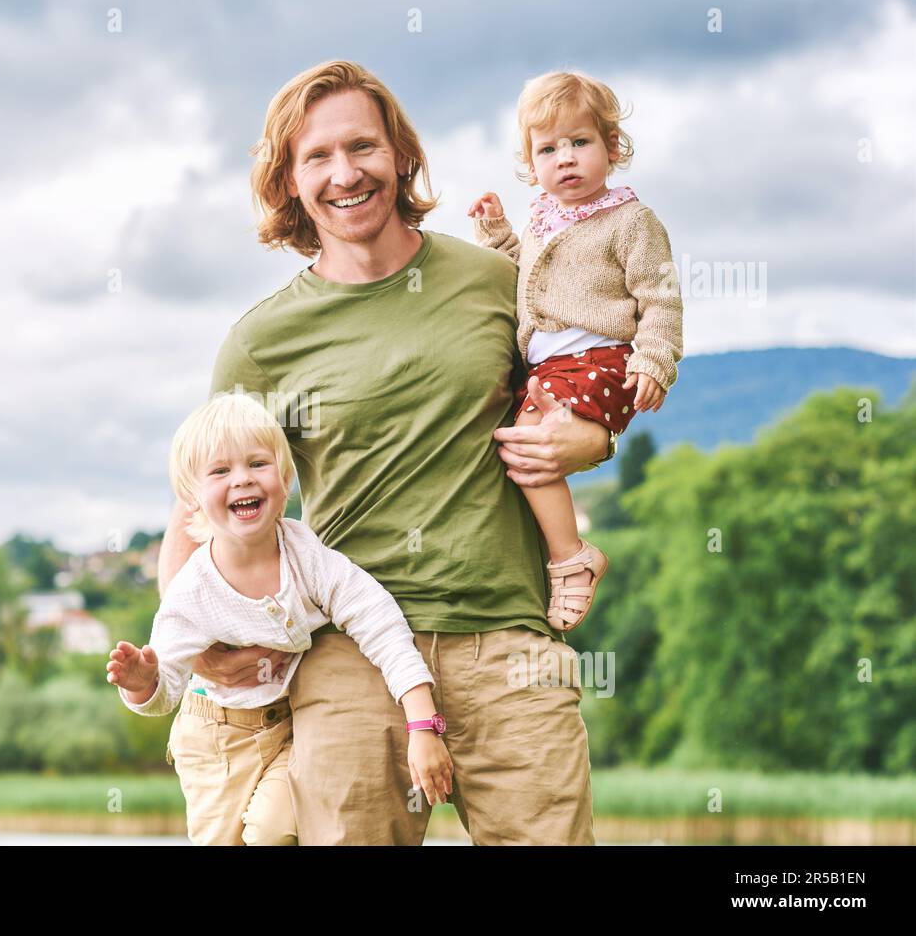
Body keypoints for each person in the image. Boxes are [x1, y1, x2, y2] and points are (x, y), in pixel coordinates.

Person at [158, 59, 608, 845]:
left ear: (401, 154)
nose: (345, 173)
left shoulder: (498, 282)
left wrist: (596, 438)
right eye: (317, 158)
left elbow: (582, 379)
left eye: (362, 146)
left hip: (510, 642)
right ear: (290, 183)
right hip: (349, 657)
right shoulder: (263, 343)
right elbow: (195, 512)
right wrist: (196, 647)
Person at [108, 392, 452, 845]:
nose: (242, 480)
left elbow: (378, 620)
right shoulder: (192, 591)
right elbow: (164, 691)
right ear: (191, 498)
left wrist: (422, 723)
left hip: (288, 726)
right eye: (220, 471)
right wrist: (142, 682)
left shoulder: (304, 556)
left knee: (276, 831)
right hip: (215, 739)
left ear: (285, 478)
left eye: (257, 464)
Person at [467, 70, 684, 632]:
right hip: (550, 366)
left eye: (580, 142)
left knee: (531, 441)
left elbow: (660, 296)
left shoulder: (631, 221)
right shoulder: (543, 217)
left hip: (602, 360)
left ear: (612, 148)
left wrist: (655, 360)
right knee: (513, 446)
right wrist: (496, 233)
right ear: (530, 162)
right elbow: (527, 274)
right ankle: (544, 556)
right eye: (548, 148)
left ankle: (571, 559)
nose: (565, 158)